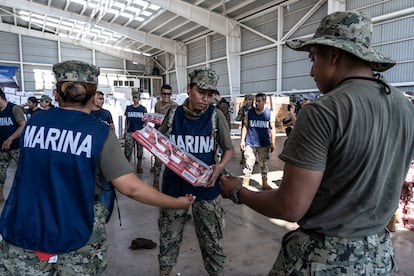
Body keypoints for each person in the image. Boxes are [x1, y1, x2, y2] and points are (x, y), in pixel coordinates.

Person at [219, 10, 414, 275]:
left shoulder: (324, 111)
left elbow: (290, 206)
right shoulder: (405, 107)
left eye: (313, 59)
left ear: (333, 56)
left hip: (326, 259)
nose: (311, 71)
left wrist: (237, 192)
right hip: (379, 257)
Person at [0, 60, 195, 275]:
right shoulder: (98, 133)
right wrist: (176, 202)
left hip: (24, 229)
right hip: (74, 233)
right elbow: (131, 188)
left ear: (57, 93)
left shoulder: (34, 124)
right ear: (94, 98)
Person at [157, 68, 234, 276]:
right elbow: (158, 140)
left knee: (212, 243)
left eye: (210, 94)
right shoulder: (173, 115)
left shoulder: (215, 117)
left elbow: (229, 150)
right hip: (174, 190)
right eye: (201, 92)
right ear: (189, 89)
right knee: (168, 239)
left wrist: (219, 167)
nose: (206, 99)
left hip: (206, 191)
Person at [240, 93, 275, 190]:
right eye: (256, 101)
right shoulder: (250, 113)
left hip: (264, 143)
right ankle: (245, 182)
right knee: (249, 163)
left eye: (259, 101)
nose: (256, 103)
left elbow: (272, 128)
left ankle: (264, 182)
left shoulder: (269, 113)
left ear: (264, 102)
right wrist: (242, 140)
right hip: (251, 142)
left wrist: (273, 142)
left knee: (263, 163)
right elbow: (245, 126)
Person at [0, 89, 26, 203]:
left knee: (24, 170)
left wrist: (10, 138)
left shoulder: (14, 109)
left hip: (17, 147)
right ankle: (1, 195)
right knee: (0, 172)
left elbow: (23, 125)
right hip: (2, 148)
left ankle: (26, 194)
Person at [152, 84, 178, 190]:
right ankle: (156, 183)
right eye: (164, 94)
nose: (166, 96)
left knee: (171, 163)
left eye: (168, 94)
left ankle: (169, 184)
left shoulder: (175, 106)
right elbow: (155, 118)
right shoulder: (157, 104)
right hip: (159, 135)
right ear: (161, 94)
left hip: (170, 137)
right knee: (157, 162)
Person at [124, 89, 147, 173]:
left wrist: (145, 131)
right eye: (134, 97)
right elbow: (126, 119)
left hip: (140, 133)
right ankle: (126, 167)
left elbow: (146, 121)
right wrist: (125, 130)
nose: (135, 99)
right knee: (127, 150)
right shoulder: (128, 108)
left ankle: (139, 165)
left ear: (139, 99)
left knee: (140, 150)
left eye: (136, 98)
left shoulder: (143, 109)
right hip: (130, 131)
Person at [235, 94, 253, 164]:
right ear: (245, 100)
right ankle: (243, 157)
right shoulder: (243, 109)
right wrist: (245, 117)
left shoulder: (254, 109)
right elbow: (238, 118)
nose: (249, 101)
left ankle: (255, 158)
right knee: (243, 143)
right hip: (245, 128)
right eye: (248, 100)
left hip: (253, 129)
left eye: (251, 100)